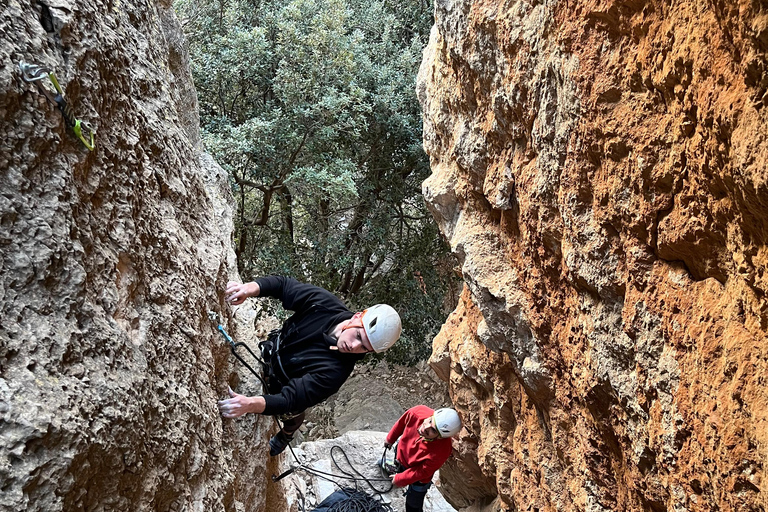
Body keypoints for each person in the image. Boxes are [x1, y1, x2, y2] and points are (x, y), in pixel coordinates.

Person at [217, 275, 402, 456]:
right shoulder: (323, 304)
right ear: (357, 318)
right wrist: (250, 288)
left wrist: (249, 404)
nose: (354, 347)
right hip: (274, 349)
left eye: (364, 348)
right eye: (359, 337)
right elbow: (284, 285)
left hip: (284, 383)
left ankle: (286, 435)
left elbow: (289, 399)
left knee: (292, 415)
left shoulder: (335, 373)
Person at [382, 405, 462, 512]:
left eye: (432, 430)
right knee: (398, 468)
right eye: (429, 421)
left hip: (420, 478)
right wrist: (390, 439)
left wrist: (401, 479)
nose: (425, 428)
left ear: (439, 437)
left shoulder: (442, 450)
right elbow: (401, 423)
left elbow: (423, 471)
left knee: (413, 505)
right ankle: (396, 471)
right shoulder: (418, 413)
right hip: (401, 456)